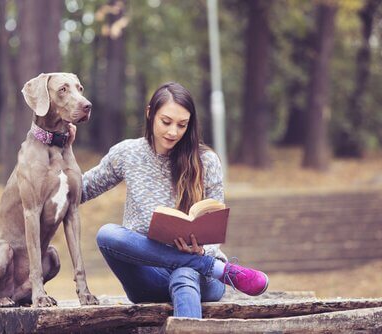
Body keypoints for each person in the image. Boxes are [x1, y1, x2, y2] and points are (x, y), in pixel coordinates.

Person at [68, 82, 268, 318]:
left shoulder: (206, 161)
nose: (173, 132)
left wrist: (203, 251)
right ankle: (220, 270)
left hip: (201, 279)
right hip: (148, 276)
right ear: (150, 113)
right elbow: (79, 191)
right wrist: (63, 149)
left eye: (182, 125)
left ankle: (205, 266)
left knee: (185, 271)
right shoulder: (128, 153)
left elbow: (216, 223)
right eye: (166, 122)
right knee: (108, 234)